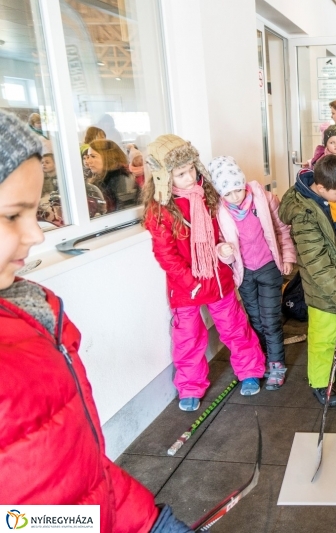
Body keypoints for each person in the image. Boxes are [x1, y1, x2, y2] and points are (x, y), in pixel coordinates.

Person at [0, 110, 192, 532]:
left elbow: (73, 469)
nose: (35, 235)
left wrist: (144, 521)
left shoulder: (32, 308)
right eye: (14, 215)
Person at [143, 134, 266, 411]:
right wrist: (189, 282)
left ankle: (249, 371)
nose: (189, 178)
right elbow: (166, 254)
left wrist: (224, 248)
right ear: (163, 178)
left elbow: (223, 229)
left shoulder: (209, 194)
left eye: (191, 170)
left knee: (234, 326)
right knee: (187, 337)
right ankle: (189, 386)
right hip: (184, 285)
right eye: (180, 174)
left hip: (216, 276)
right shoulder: (160, 211)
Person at [279, 155, 336, 406]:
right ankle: (320, 381)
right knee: (323, 337)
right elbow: (316, 262)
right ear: (320, 188)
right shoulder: (304, 215)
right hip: (324, 287)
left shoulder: (333, 198)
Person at [210, 156, 296, 391]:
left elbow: (282, 230)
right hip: (245, 274)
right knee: (255, 320)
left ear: (243, 183)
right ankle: (264, 359)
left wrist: (287, 256)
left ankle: (277, 364)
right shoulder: (221, 212)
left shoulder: (263, 199)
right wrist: (223, 251)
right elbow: (219, 244)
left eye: (238, 190)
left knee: (271, 319)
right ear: (221, 195)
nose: (235, 197)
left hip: (269, 268)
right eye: (228, 194)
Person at [86, 139, 140, 212]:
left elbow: (126, 212)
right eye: (88, 156)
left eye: (93, 156)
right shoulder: (98, 178)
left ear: (108, 157)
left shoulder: (121, 178)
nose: (88, 161)